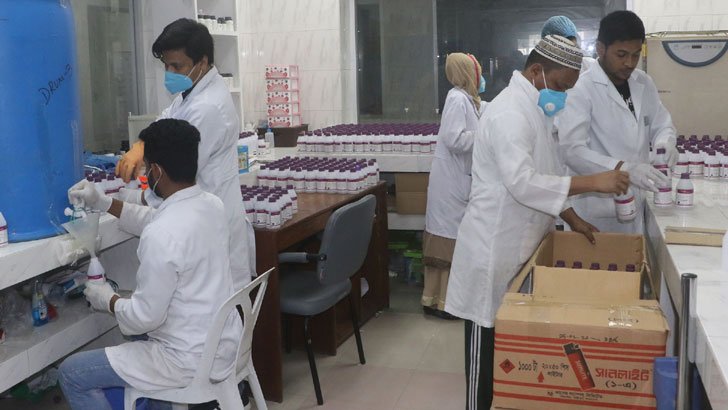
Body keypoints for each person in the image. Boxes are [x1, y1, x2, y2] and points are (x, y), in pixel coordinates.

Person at [444, 36, 631, 410]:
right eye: (561, 85)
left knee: (509, 351)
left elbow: (548, 171)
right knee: (485, 351)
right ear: (536, 71)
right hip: (492, 250)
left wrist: (573, 218)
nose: (563, 95)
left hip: (520, 247)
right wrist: (594, 182)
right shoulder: (509, 114)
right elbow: (523, 183)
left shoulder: (536, 111)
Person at [59, 119, 242, 410]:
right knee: (137, 330)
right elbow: (155, 219)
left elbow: (144, 319)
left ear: (156, 171)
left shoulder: (163, 233)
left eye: (146, 168)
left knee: (72, 373)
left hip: (185, 360)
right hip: (223, 343)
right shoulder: (211, 205)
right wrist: (104, 203)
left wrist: (108, 299)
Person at [115, 18, 254, 290]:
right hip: (199, 222)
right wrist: (140, 146)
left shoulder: (208, 107)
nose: (169, 72)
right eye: (166, 65)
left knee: (214, 307)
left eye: (176, 66)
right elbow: (166, 119)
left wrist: (129, 199)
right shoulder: (191, 91)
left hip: (209, 227)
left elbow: (176, 174)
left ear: (202, 62)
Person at [556, 10, 677, 234]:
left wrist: (666, 143)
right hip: (598, 211)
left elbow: (662, 124)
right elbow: (572, 150)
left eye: (635, 55)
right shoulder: (581, 89)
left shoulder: (644, 83)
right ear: (601, 49)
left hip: (639, 201)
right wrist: (625, 169)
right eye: (621, 54)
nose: (629, 63)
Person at [421, 53, 487, 320]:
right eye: (478, 71)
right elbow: (454, 139)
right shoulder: (457, 99)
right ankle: (440, 303)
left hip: (457, 182)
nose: (481, 77)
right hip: (451, 186)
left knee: (453, 241)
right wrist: (485, 135)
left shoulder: (467, 100)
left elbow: (483, 112)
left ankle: (443, 300)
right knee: (446, 243)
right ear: (468, 72)